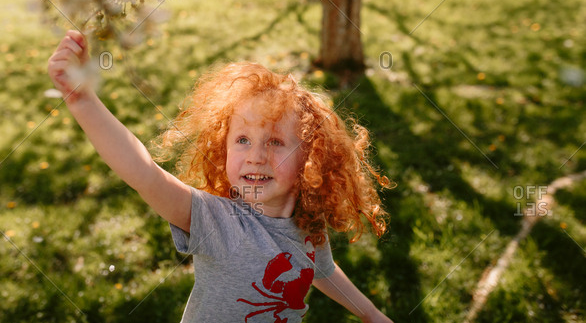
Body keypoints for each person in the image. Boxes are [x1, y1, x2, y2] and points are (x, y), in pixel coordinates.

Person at [48, 30, 393, 323]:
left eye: (275, 142)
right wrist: (81, 100)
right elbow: (145, 174)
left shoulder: (307, 223)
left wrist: (371, 315)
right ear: (222, 149)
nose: (256, 157)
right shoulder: (216, 221)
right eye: (242, 140)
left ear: (310, 159)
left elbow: (322, 270)